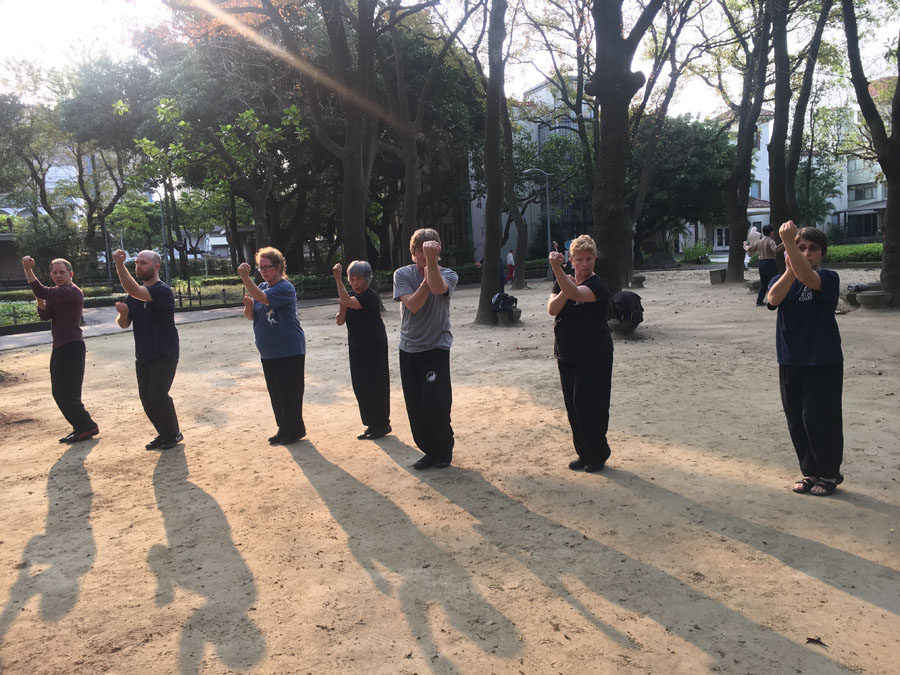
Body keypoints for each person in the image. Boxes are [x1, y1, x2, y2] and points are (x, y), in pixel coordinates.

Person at [766, 222, 844, 496]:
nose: (806, 253)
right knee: (797, 419)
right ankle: (810, 472)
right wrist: (790, 267)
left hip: (823, 360)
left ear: (822, 253)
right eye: (801, 248)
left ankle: (829, 474)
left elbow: (810, 279)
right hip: (790, 360)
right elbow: (773, 299)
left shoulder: (828, 278)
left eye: (812, 248)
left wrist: (789, 243)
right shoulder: (781, 281)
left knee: (820, 418)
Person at [548, 234, 614, 473]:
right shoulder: (562, 282)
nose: (585, 264)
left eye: (589, 259)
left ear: (595, 259)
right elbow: (552, 308)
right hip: (567, 353)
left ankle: (598, 453)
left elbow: (577, 294)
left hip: (594, 355)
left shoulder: (598, 286)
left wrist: (558, 271)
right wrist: (564, 284)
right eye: (579, 259)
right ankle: (584, 452)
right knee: (573, 406)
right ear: (572, 260)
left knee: (590, 405)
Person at [393, 228, 458, 469]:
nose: (423, 254)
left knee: (436, 402)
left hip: (436, 347)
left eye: (428, 250)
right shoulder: (402, 274)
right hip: (409, 347)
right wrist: (428, 272)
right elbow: (413, 305)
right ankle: (429, 451)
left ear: (438, 251)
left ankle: (443, 449)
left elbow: (439, 289)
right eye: (419, 250)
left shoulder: (449, 275)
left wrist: (432, 265)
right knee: (416, 405)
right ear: (412, 253)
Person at [22, 256, 99, 443]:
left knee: (66, 393)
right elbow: (45, 315)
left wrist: (28, 269)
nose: (58, 275)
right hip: (60, 346)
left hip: (72, 346)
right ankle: (81, 427)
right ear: (51, 274)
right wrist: (40, 299)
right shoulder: (57, 293)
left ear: (70, 274)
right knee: (61, 392)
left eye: (62, 272)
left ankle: (87, 426)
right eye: (55, 273)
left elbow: (41, 290)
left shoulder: (71, 291)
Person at [113, 249, 182, 450]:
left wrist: (119, 264)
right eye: (136, 263)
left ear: (156, 266)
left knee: (157, 394)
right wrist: (123, 314)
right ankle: (164, 434)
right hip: (143, 354)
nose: (139, 266)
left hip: (164, 352)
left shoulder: (162, 290)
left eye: (143, 263)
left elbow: (136, 291)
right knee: (146, 398)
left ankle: (174, 433)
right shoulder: (133, 297)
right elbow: (124, 324)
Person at [239, 248, 306, 445]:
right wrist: (248, 307)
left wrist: (245, 278)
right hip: (268, 351)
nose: (263, 271)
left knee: (289, 392)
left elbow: (263, 298)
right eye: (260, 268)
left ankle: (295, 429)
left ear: (278, 267)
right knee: (276, 393)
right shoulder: (261, 286)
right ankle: (283, 428)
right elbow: (251, 316)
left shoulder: (285, 287)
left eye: (266, 267)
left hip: (289, 349)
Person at [333, 260, 391, 440]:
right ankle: (370, 424)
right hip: (356, 346)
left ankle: (382, 423)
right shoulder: (348, 296)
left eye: (359, 279)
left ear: (367, 279)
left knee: (376, 384)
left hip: (374, 346)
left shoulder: (370, 297)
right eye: (352, 279)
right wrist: (343, 304)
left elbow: (349, 302)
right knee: (360, 385)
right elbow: (340, 320)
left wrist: (338, 280)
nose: (355, 283)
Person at [744, 224, 778, 306]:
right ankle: (774, 300)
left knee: (764, 283)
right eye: (773, 231)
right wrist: (785, 243)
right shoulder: (771, 241)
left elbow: (751, 250)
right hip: (770, 263)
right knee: (774, 282)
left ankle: (759, 301)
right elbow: (775, 249)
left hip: (761, 263)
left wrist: (745, 246)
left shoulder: (759, 242)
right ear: (771, 232)